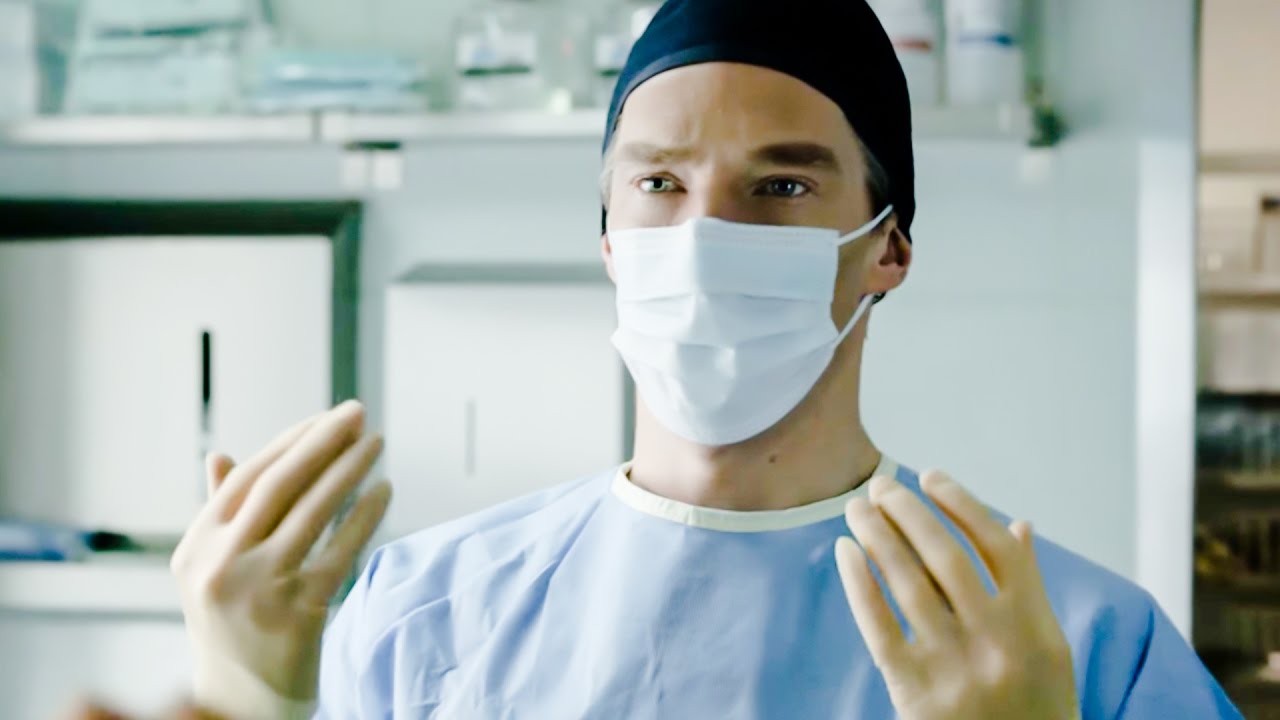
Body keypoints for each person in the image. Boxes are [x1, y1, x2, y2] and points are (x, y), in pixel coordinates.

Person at [170, 0, 1243, 718]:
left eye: (781, 186)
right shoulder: (420, 616)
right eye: (658, 185)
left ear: (889, 248)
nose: (704, 234)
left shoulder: (1070, 645)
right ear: (608, 241)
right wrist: (240, 699)